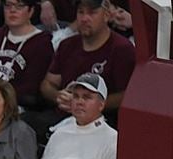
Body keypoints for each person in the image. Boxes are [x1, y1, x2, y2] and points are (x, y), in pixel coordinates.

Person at [31, 0, 135, 134]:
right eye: (81, 12)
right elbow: (48, 84)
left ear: (106, 15)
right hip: (61, 119)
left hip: (100, 124)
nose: (85, 18)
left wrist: (90, 104)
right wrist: (57, 95)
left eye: (92, 13)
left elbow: (127, 95)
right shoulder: (67, 45)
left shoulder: (122, 49)